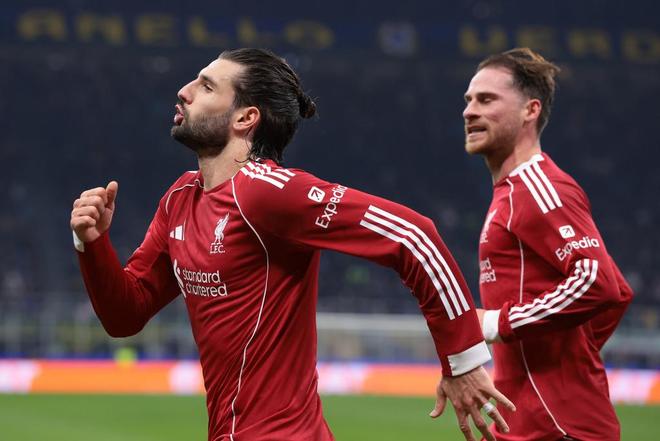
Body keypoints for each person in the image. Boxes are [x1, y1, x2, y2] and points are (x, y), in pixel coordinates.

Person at [70, 48, 514, 441]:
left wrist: (462, 361)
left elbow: (414, 235)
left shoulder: (265, 192)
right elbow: (125, 314)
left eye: (206, 86)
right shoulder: (180, 199)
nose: (184, 91)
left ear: (245, 118)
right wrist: (92, 244)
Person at [462, 47, 633, 441]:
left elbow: (598, 282)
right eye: (468, 100)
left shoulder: (536, 187)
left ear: (530, 110)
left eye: (486, 100)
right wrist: (566, 354)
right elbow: (619, 291)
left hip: (559, 426)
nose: (469, 111)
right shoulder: (512, 193)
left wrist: (497, 323)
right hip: (533, 421)